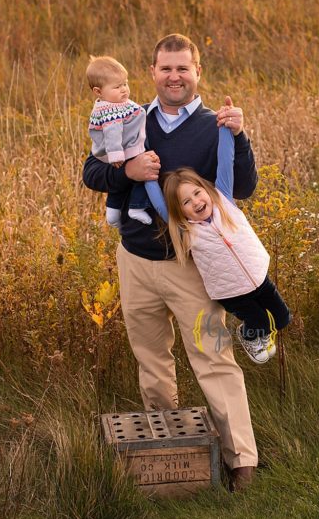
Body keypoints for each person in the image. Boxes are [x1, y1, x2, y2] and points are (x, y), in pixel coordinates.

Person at [82, 33, 259, 491]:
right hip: (135, 260)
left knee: (214, 355)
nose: (174, 76)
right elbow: (91, 171)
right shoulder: (130, 118)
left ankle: (241, 461)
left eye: (183, 68)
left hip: (193, 266)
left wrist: (240, 137)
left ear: (197, 71)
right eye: (165, 68)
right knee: (152, 358)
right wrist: (127, 172)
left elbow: (242, 188)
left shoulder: (215, 125)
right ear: (152, 73)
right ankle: (170, 452)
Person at [157, 128, 292, 365]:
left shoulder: (224, 201)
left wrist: (227, 129)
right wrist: (148, 178)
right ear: (180, 211)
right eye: (187, 202)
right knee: (259, 321)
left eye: (198, 193)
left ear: (206, 190)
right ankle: (249, 335)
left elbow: (225, 160)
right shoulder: (186, 229)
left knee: (282, 319)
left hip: (258, 276)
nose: (197, 202)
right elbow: (159, 203)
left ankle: (259, 333)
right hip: (231, 293)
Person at [85, 55, 165, 227]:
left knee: (134, 174)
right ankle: (135, 207)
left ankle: (113, 209)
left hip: (121, 150)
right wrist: (116, 156)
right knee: (144, 173)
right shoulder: (110, 110)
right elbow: (112, 133)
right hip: (118, 152)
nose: (124, 90)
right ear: (98, 92)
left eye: (125, 84)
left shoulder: (117, 105)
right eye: (117, 86)